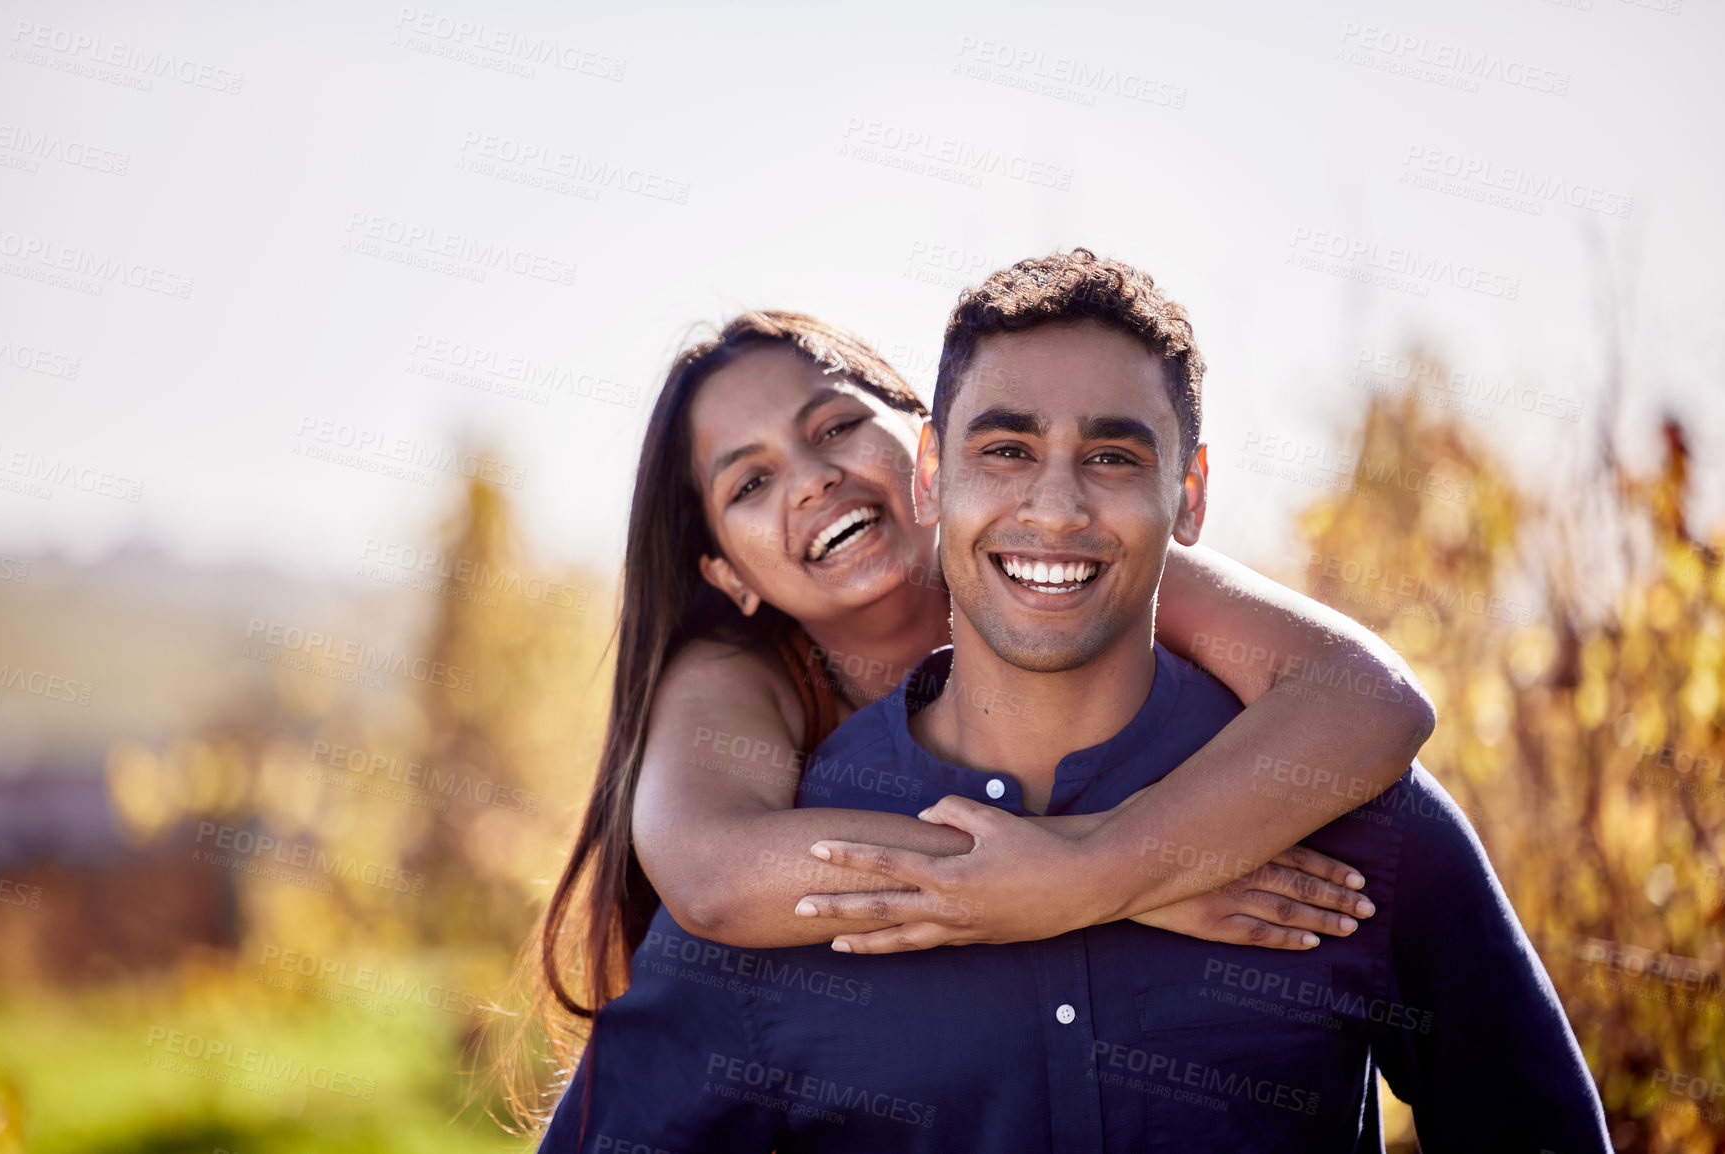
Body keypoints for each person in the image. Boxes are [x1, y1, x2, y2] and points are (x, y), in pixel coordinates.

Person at [535, 249, 1609, 1151]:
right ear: (939, 469)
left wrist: (1094, 864)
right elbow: (718, 877)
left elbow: (1370, 696)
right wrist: (1075, 878)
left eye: (831, 427)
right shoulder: (738, 706)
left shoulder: (1316, 794)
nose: (1054, 503)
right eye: (749, 481)